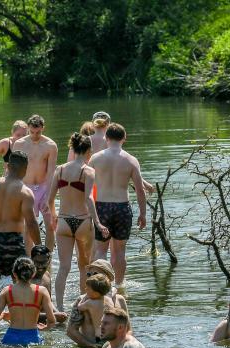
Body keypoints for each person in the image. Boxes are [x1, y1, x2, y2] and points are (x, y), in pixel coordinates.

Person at [0, 150, 39, 327]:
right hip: (13, 239)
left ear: (8, 165)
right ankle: (17, 316)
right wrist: (39, 245)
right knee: (20, 280)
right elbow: (32, 223)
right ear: (25, 168)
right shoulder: (25, 192)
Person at [50, 132, 108, 310]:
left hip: (64, 222)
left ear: (73, 149)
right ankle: (84, 304)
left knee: (64, 267)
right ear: (88, 150)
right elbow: (89, 198)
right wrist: (97, 222)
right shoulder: (88, 171)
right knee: (85, 266)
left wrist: (53, 217)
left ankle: (59, 308)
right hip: (83, 221)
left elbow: (49, 199)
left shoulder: (59, 170)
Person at [89, 123, 147, 286]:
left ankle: (99, 285)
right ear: (124, 138)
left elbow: (86, 184)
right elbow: (140, 190)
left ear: (106, 138)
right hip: (122, 207)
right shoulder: (131, 160)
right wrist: (143, 214)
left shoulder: (96, 158)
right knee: (120, 251)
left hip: (101, 207)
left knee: (101, 250)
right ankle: (119, 286)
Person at [10, 115, 59, 251]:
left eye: (38, 132)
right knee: (28, 227)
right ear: (28, 129)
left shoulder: (51, 145)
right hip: (26, 188)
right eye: (32, 132)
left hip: (44, 187)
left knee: (50, 225)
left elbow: (51, 173)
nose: (35, 135)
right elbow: (14, 170)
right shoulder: (19, 144)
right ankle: (29, 259)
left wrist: (49, 197)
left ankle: (47, 259)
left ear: (43, 128)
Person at [0, 257, 56, 346]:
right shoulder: (41, 291)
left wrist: (3, 316)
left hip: (11, 337)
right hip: (33, 336)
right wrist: (45, 327)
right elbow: (52, 320)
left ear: (14, 274)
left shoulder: (7, 291)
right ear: (33, 273)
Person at [76, 274, 113, 344]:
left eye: (88, 289)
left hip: (99, 336)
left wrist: (83, 298)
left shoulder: (90, 303)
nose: (85, 289)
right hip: (110, 334)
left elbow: (79, 307)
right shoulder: (109, 300)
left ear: (95, 293)